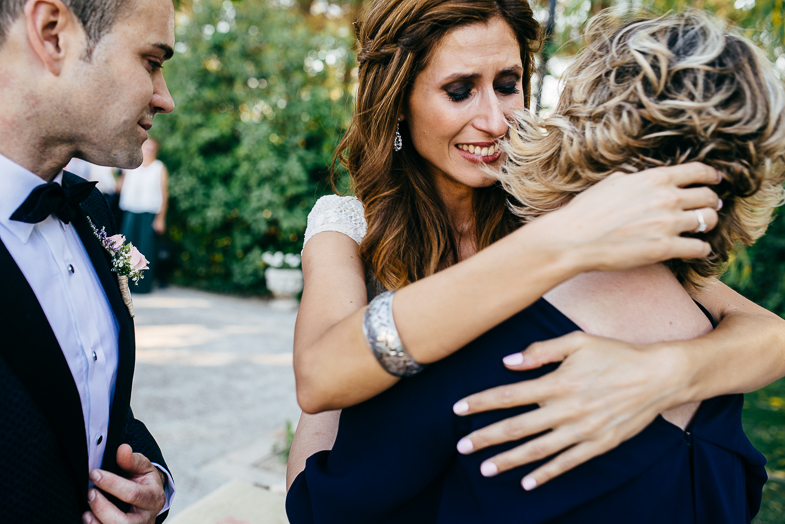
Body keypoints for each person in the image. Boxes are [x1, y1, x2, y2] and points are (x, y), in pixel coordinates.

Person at [285, 0, 785, 515]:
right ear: (397, 100)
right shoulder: (347, 225)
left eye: (508, 84)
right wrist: (563, 241)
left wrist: (662, 372)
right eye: (459, 91)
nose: (495, 120)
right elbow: (320, 380)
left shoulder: (557, 201)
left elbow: (767, 333)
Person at [0, 0, 176, 523]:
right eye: (151, 60)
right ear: (53, 34)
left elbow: (91, 399)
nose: (165, 98)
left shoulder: (91, 208)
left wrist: (154, 488)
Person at [118, 138, 169, 294]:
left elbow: (164, 193)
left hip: (149, 213)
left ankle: (143, 286)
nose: (148, 150)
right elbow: (119, 187)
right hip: (130, 211)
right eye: (146, 147)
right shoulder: (131, 164)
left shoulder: (159, 167)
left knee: (145, 249)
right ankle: (125, 286)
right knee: (127, 250)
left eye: (152, 148)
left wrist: (160, 218)